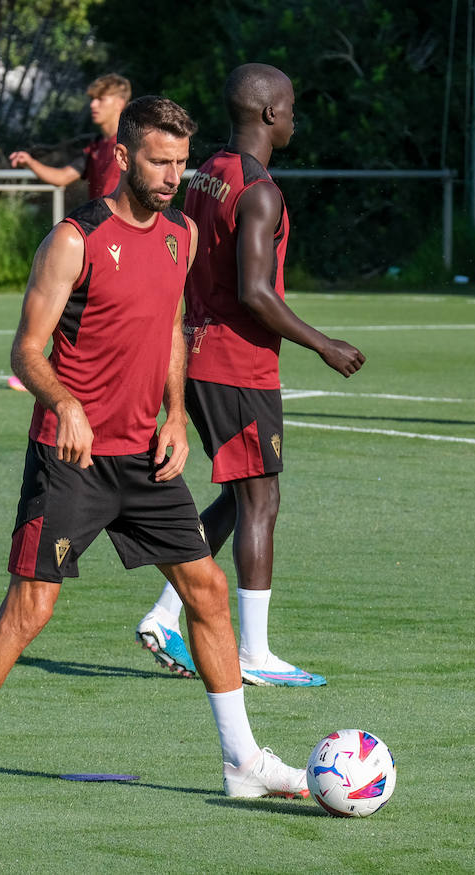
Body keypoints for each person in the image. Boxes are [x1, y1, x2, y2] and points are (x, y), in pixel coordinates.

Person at [0, 96, 309, 810]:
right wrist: (64, 402)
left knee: (208, 593)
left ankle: (242, 759)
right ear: (125, 157)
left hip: (145, 457)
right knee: (31, 607)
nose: (172, 175)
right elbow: (26, 351)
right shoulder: (74, 239)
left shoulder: (181, 234)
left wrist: (175, 417)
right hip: (72, 458)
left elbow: (172, 327)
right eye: (160, 161)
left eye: (182, 162)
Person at [135, 64, 365, 688]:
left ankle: (164, 613)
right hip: (237, 365)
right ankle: (254, 653)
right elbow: (256, 293)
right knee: (262, 499)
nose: (294, 118)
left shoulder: (208, 171)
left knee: (244, 495)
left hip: (201, 354)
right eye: (290, 108)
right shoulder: (260, 190)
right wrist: (325, 345)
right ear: (269, 115)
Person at [8, 73, 130, 200]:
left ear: (119, 103)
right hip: (100, 218)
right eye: (92, 99)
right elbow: (62, 177)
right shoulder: (95, 147)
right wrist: (30, 162)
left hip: (126, 220)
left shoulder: (134, 143)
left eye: (101, 99)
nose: (92, 104)